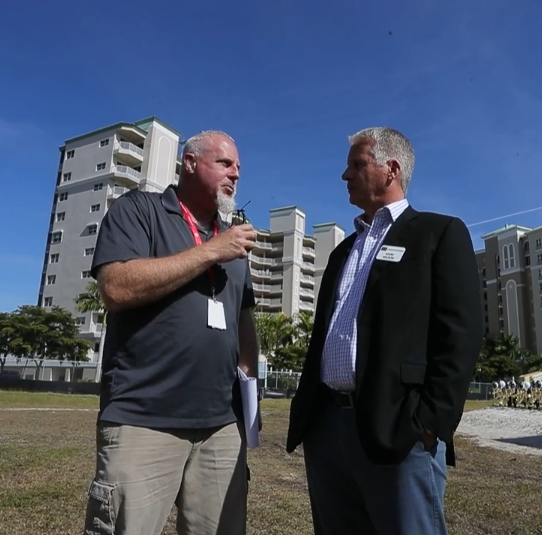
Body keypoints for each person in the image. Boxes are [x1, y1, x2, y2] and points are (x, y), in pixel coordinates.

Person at [286, 126, 482, 535]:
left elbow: (460, 336)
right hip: (326, 430)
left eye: (356, 165)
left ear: (390, 169)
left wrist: (428, 425)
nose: (345, 176)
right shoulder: (343, 250)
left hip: (398, 431)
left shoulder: (437, 233)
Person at [83, 130, 260, 535]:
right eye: (225, 163)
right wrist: (212, 250)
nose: (235, 174)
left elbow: (243, 320)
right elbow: (116, 287)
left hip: (220, 426)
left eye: (238, 168)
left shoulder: (234, 238)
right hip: (144, 418)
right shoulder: (139, 210)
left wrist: (248, 398)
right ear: (190, 163)